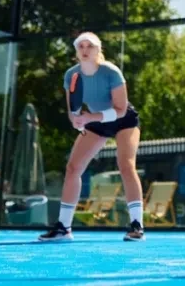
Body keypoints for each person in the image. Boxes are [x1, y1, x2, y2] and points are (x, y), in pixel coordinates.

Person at [39, 32, 145, 242]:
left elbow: (121, 110)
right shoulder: (71, 75)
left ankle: (137, 226)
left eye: (90, 46)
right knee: (73, 168)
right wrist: (77, 121)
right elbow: (73, 110)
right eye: (81, 47)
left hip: (123, 120)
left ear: (98, 50)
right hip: (94, 120)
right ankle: (64, 228)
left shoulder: (111, 72)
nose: (85, 50)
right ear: (77, 52)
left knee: (125, 165)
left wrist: (89, 117)